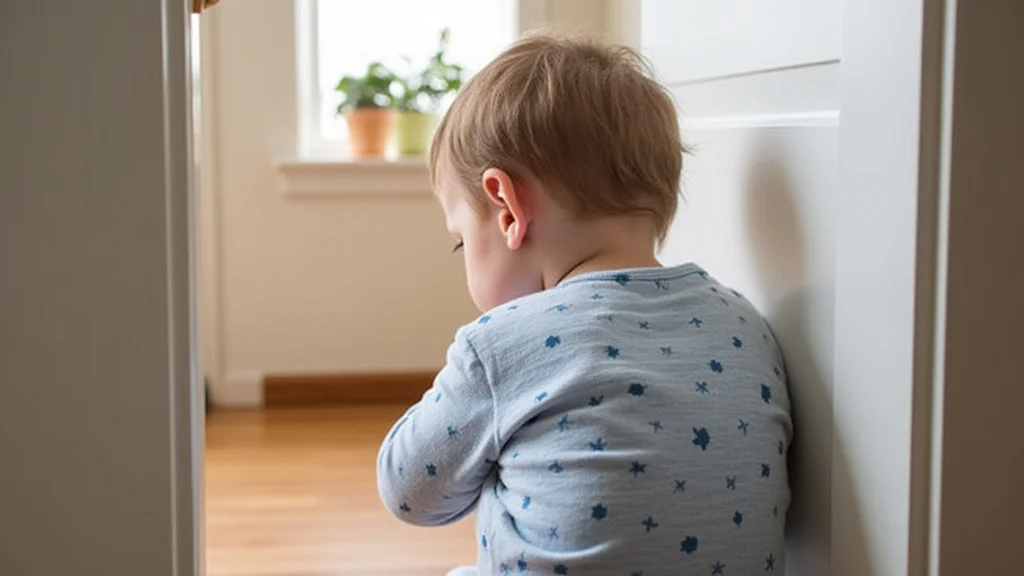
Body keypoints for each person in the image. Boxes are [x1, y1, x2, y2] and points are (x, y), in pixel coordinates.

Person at [376, 32, 792, 575]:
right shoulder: (746, 324)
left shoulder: (501, 346)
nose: (462, 258)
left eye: (461, 239)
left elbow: (409, 493)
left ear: (506, 209)